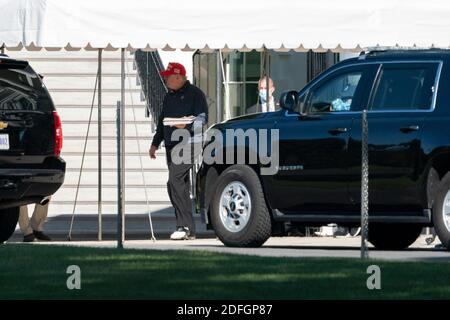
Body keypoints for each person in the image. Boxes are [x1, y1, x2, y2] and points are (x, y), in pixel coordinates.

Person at [149, 62, 208, 240]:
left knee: (174, 179)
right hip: (171, 146)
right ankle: (187, 228)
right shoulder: (169, 97)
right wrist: (155, 143)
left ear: (178, 76)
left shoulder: (195, 94)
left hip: (190, 143)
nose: (165, 79)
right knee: (176, 185)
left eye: (168, 76)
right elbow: (162, 121)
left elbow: (202, 118)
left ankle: (184, 226)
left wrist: (187, 125)